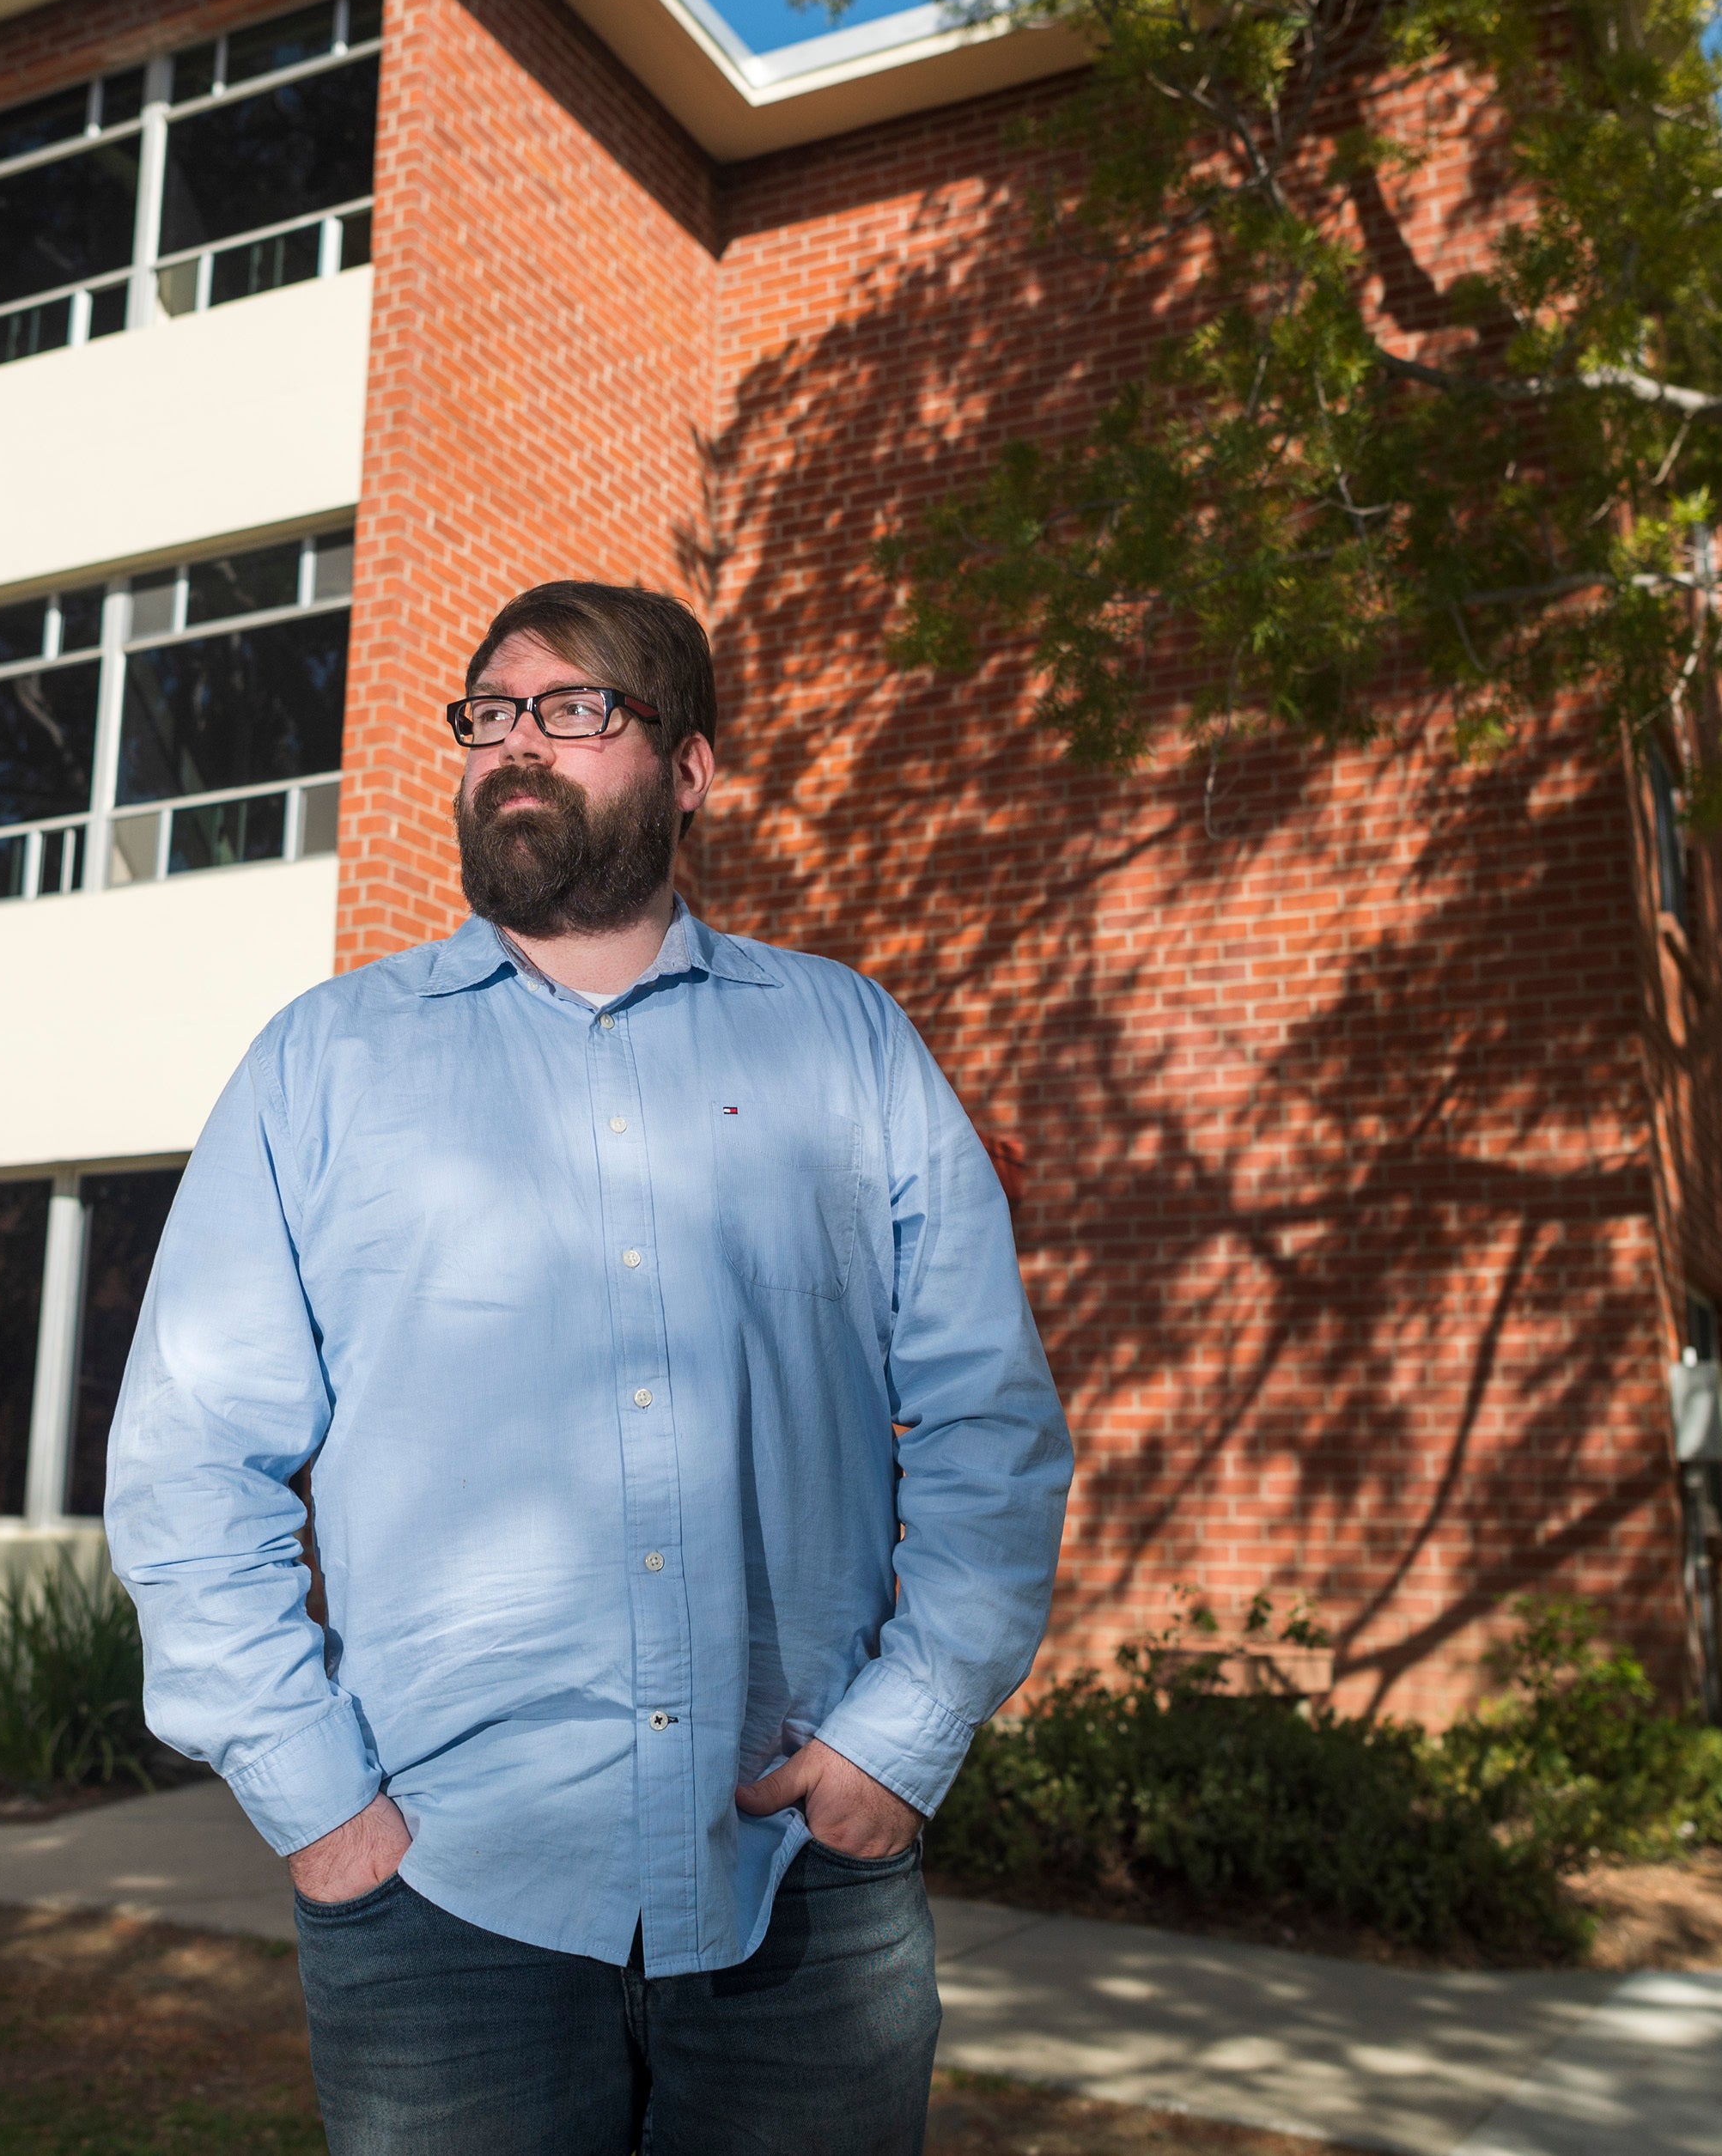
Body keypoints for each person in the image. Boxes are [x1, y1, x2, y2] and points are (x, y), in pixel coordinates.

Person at [107, 579, 1074, 2154]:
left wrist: (903, 1734)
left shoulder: (847, 1044)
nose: (514, 747)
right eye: (489, 714)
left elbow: (989, 1422)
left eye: (573, 710)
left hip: (801, 1897)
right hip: (440, 1910)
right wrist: (322, 1809)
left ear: (688, 767)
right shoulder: (322, 1064)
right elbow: (186, 1460)